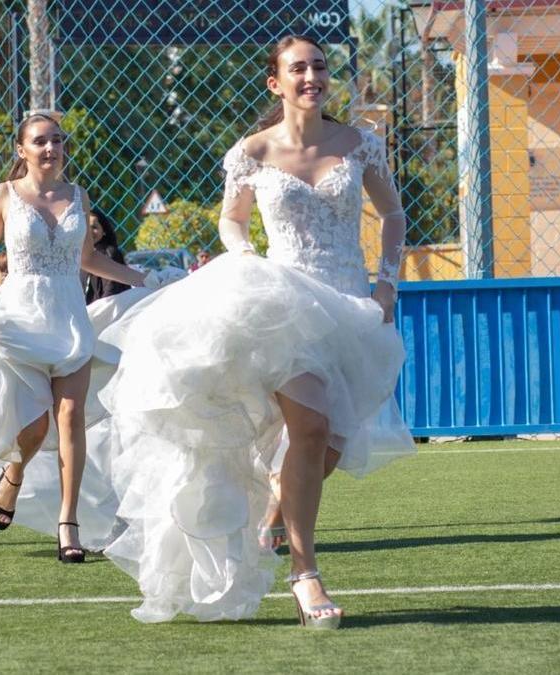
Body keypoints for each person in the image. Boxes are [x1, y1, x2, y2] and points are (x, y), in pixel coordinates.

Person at [95, 35, 415, 627]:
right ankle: (306, 574)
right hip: (281, 306)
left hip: (349, 307)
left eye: (319, 66)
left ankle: (271, 507)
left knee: (328, 443)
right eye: (298, 68)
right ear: (276, 82)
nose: (312, 76)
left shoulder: (360, 145)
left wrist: (386, 285)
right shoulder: (253, 151)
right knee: (313, 424)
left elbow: (393, 215)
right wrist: (243, 257)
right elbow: (231, 219)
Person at [0, 112, 157, 563]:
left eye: (57, 140)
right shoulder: (5, 195)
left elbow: (88, 257)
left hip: (68, 317)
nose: (50, 148)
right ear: (22, 150)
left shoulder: (78, 195)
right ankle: (12, 478)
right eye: (40, 141)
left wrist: (141, 279)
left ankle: (68, 522)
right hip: (20, 316)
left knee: (71, 416)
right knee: (35, 427)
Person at [83, 208, 130, 303]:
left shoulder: (109, 254)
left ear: (104, 231)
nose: (90, 232)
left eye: (94, 227)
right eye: (86, 227)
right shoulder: (82, 254)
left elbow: (111, 291)